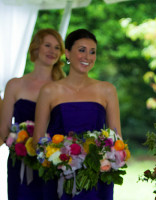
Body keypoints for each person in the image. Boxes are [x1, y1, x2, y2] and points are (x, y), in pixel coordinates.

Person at [33, 29, 121, 200]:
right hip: (59, 178)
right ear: (67, 53)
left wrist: (107, 159)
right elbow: (38, 139)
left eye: (92, 51)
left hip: (97, 179)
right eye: (81, 50)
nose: (87, 56)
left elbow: (116, 138)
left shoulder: (107, 90)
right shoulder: (49, 91)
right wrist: (60, 159)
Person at [0, 28, 65, 200]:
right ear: (36, 48)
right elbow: (4, 128)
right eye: (48, 45)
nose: (52, 51)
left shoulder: (64, 87)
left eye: (57, 47)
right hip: (21, 165)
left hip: (54, 163)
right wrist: (20, 142)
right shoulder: (15, 85)